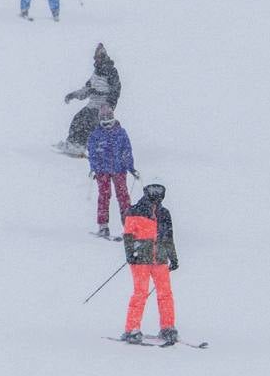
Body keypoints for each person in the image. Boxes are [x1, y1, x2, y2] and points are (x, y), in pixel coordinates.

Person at [119, 181, 181, 346]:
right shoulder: (135, 211)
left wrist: (173, 257)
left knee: (165, 293)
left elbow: (168, 237)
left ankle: (168, 327)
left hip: (159, 258)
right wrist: (130, 254)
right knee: (141, 293)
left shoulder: (164, 213)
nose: (156, 194)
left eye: (159, 190)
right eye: (153, 190)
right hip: (141, 259)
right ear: (146, 191)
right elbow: (128, 235)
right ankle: (132, 328)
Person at [56, 43, 121, 155]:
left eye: (99, 57)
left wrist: (109, 105)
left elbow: (116, 89)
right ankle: (73, 142)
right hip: (92, 104)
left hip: (103, 106)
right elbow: (87, 89)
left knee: (89, 121)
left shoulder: (111, 71)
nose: (97, 60)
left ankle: (82, 144)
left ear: (104, 57)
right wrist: (73, 95)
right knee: (78, 118)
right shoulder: (95, 72)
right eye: (96, 58)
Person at [84, 104, 137, 238]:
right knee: (104, 196)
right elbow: (92, 153)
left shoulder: (121, 133)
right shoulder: (96, 135)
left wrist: (130, 167)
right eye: (104, 119)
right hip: (103, 171)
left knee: (123, 197)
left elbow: (127, 151)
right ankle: (103, 226)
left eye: (109, 118)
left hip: (119, 169)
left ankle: (128, 226)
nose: (107, 123)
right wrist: (94, 168)